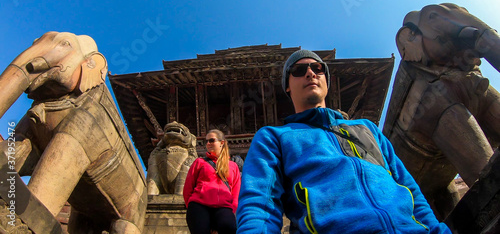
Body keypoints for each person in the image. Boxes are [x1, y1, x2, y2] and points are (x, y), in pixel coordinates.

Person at [236, 50, 451, 233]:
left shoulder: (368, 128)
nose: (310, 73)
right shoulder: (273, 137)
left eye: (318, 68)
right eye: (299, 71)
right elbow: (260, 205)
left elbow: (408, 187)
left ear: (326, 81)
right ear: (287, 86)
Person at [183, 129, 241, 234]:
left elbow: (236, 192)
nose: (208, 143)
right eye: (206, 141)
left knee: (229, 227)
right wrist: (190, 204)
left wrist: (232, 209)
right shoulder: (199, 162)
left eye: (211, 140)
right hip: (199, 205)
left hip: (224, 207)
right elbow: (188, 187)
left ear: (222, 143)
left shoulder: (233, 166)